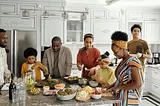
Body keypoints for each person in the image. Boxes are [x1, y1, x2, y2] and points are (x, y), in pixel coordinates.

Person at [108, 31, 144, 106]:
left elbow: (138, 83)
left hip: (129, 101)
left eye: (116, 52)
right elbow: (122, 80)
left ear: (123, 48)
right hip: (120, 98)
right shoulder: (122, 61)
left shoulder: (132, 61)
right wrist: (111, 86)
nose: (115, 55)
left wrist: (119, 87)